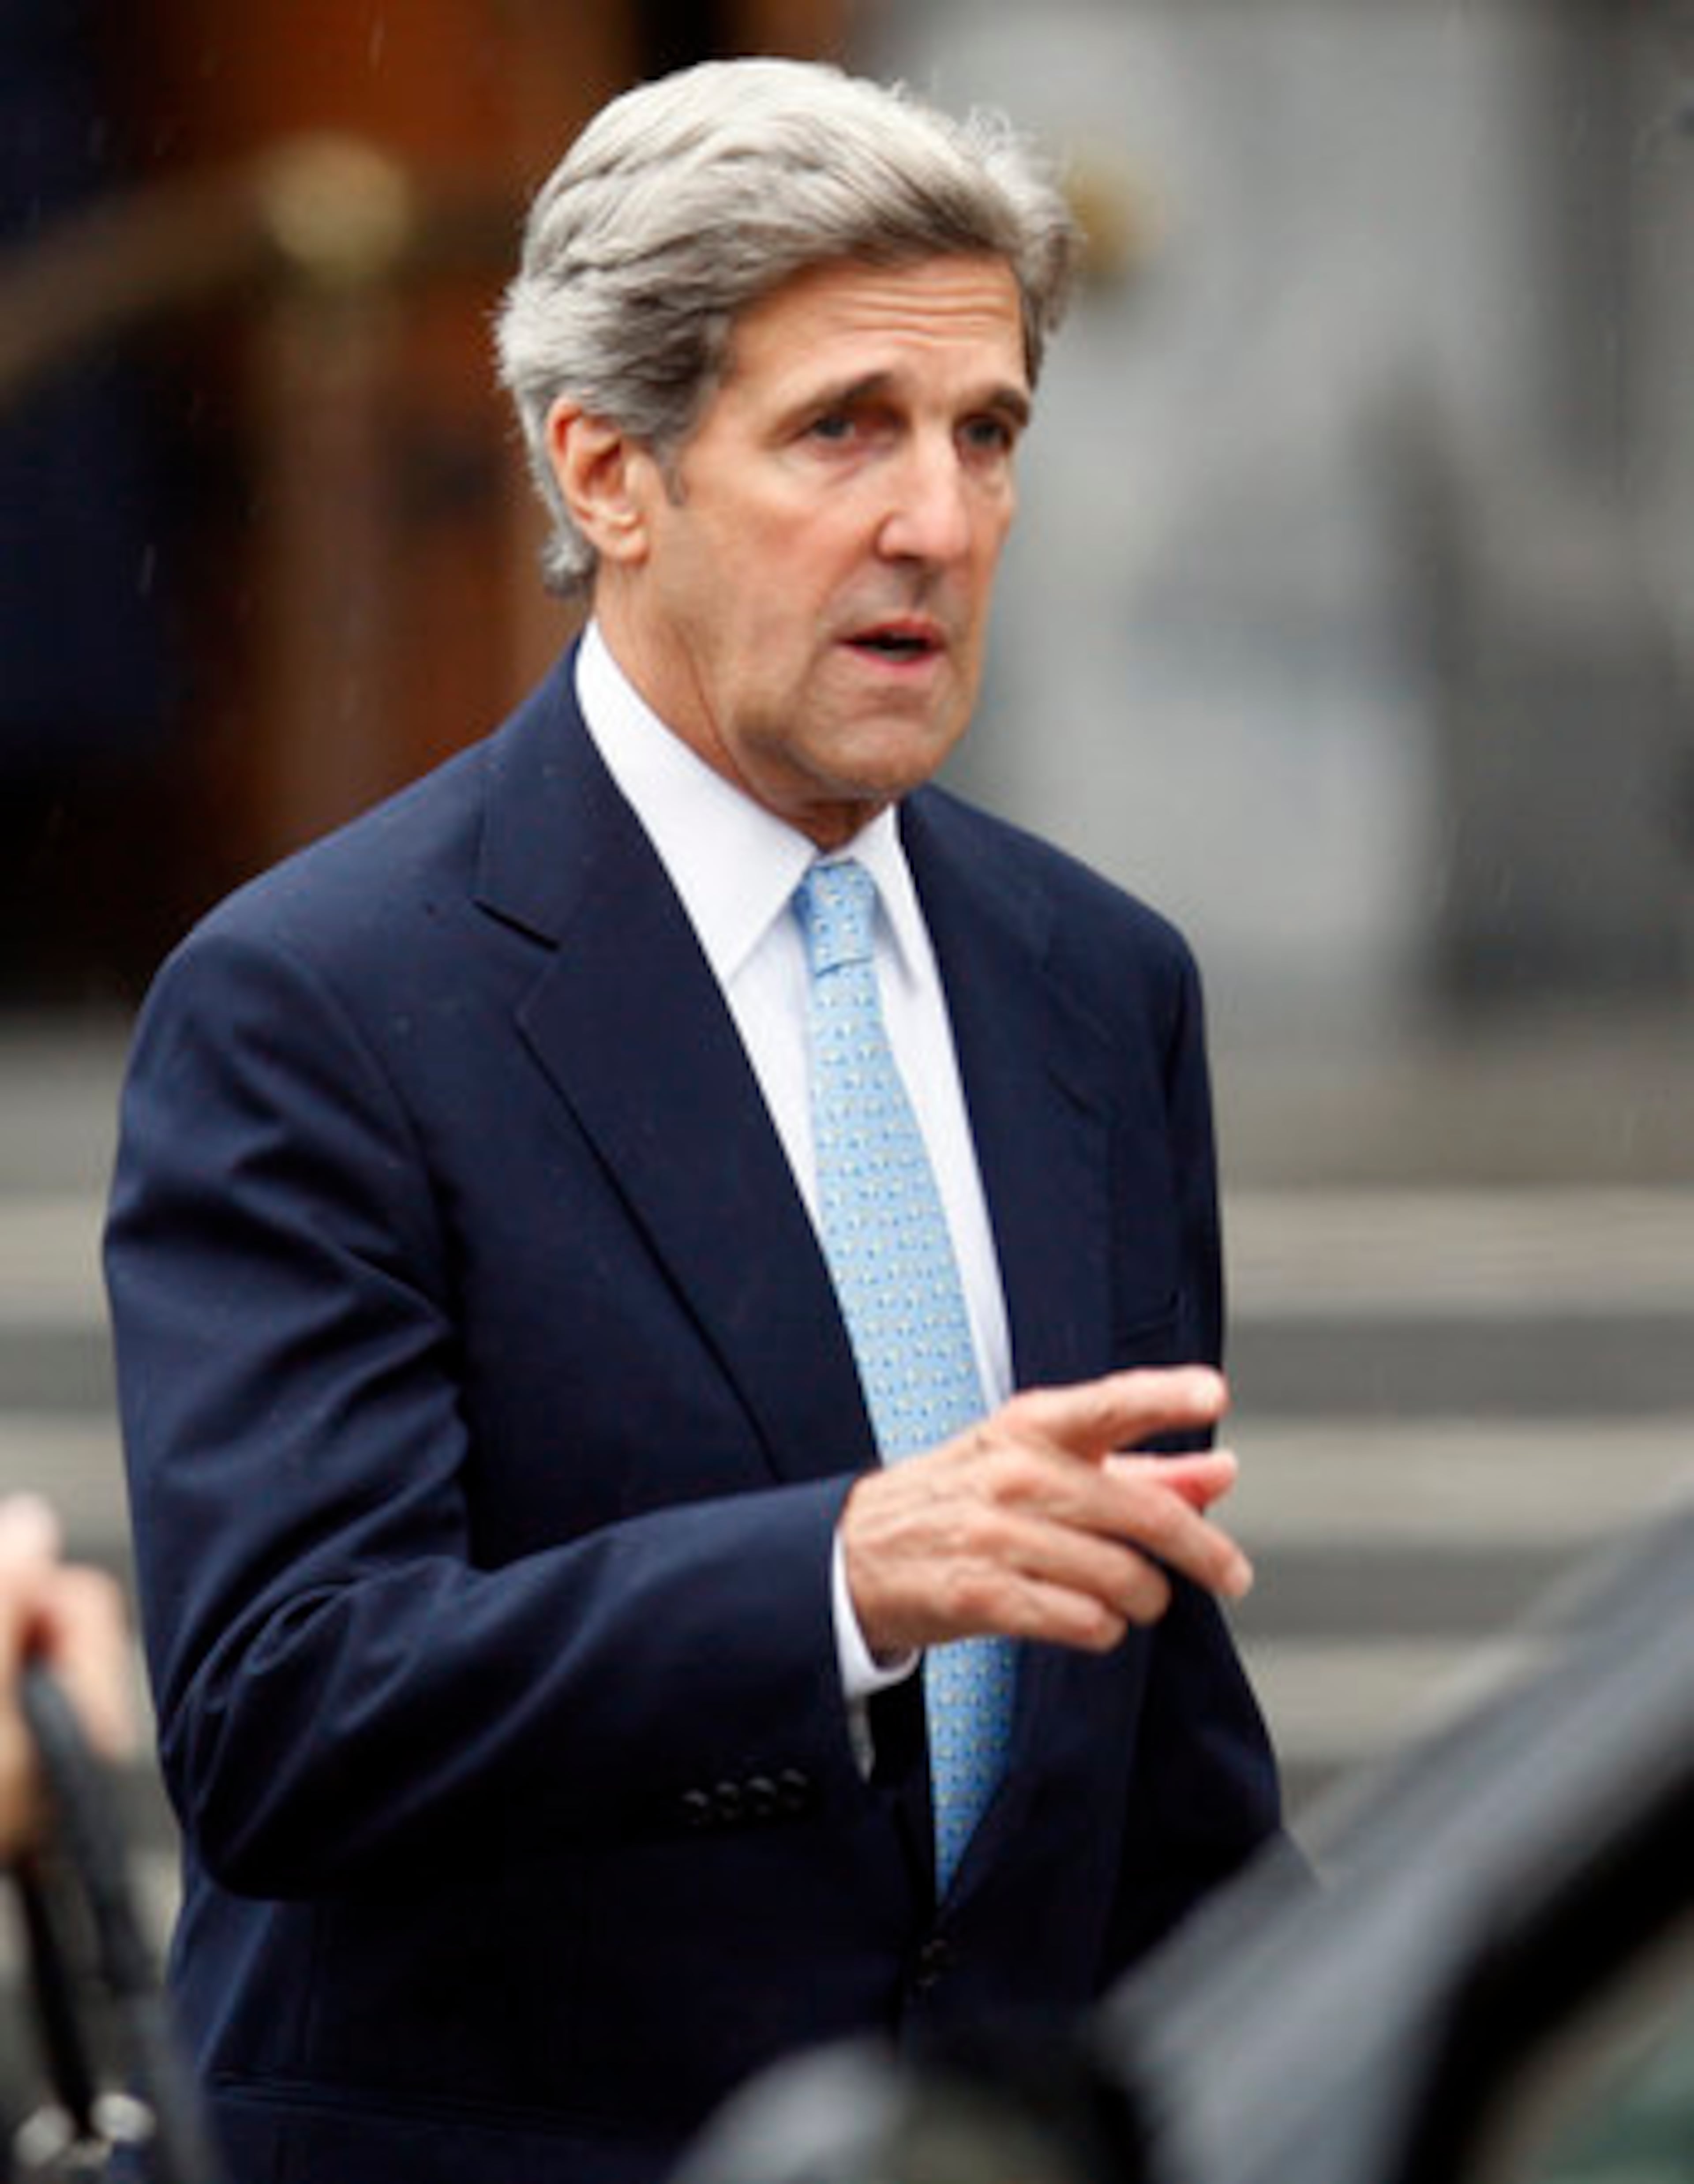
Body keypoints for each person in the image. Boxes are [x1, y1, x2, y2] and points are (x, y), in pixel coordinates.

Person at [105, 57, 1287, 2184]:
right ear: (608, 470)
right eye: (843, 427)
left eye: (986, 432)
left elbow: (1171, 1777)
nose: (936, 514)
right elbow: (287, 1706)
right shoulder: (320, 1001)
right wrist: (837, 1577)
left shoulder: (1103, 987)